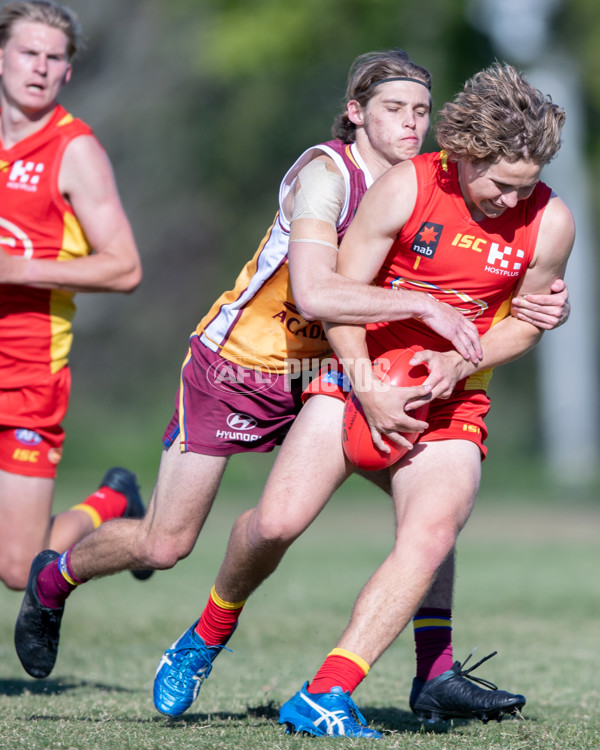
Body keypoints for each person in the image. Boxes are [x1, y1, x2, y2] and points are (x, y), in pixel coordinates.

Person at [14, 48, 567, 714]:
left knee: (432, 514)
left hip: (337, 368)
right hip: (249, 366)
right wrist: (424, 308)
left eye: (420, 112)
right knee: (172, 543)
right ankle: (60, 579)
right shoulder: (331, 176)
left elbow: (516, 298)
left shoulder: (463, 190)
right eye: (394, 110)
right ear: (356, 113)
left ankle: (431, 668)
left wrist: (506, 328)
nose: (409, 127)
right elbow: (315, 293)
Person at [273, 62, 574, 737]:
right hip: (357, 375)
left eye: (524, 187)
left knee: (433, 533)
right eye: (500, 183)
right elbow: (338, 299)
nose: (510, 199)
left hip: (452, 403)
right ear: (467, 155)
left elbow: (528, 322)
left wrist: (451, 359)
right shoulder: (406, 186)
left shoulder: (551, 219)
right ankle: (210, 628)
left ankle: (326, 693)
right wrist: (367, 385)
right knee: (276, 524)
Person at [0, 0, 150, 595]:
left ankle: (113, 499)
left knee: (17, 569)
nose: (38, 66)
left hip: (28, 372)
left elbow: (125, 267)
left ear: (66, 72)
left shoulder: (74, 151)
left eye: (52, 57)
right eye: (28, 52)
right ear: (2, 58)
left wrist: (17, 269)